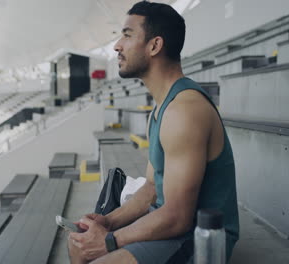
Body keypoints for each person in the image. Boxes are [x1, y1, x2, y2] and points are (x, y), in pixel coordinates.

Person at [68, 1, 239, 263]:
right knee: (78, 245)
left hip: (200, 237)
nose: (117, 46)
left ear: (155, 46)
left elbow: (179, 217)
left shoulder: (184, 111)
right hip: (173, 224)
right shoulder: (161, 108)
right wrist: (107, 221)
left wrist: (109, 240)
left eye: (126, 35)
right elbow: (151, 188)